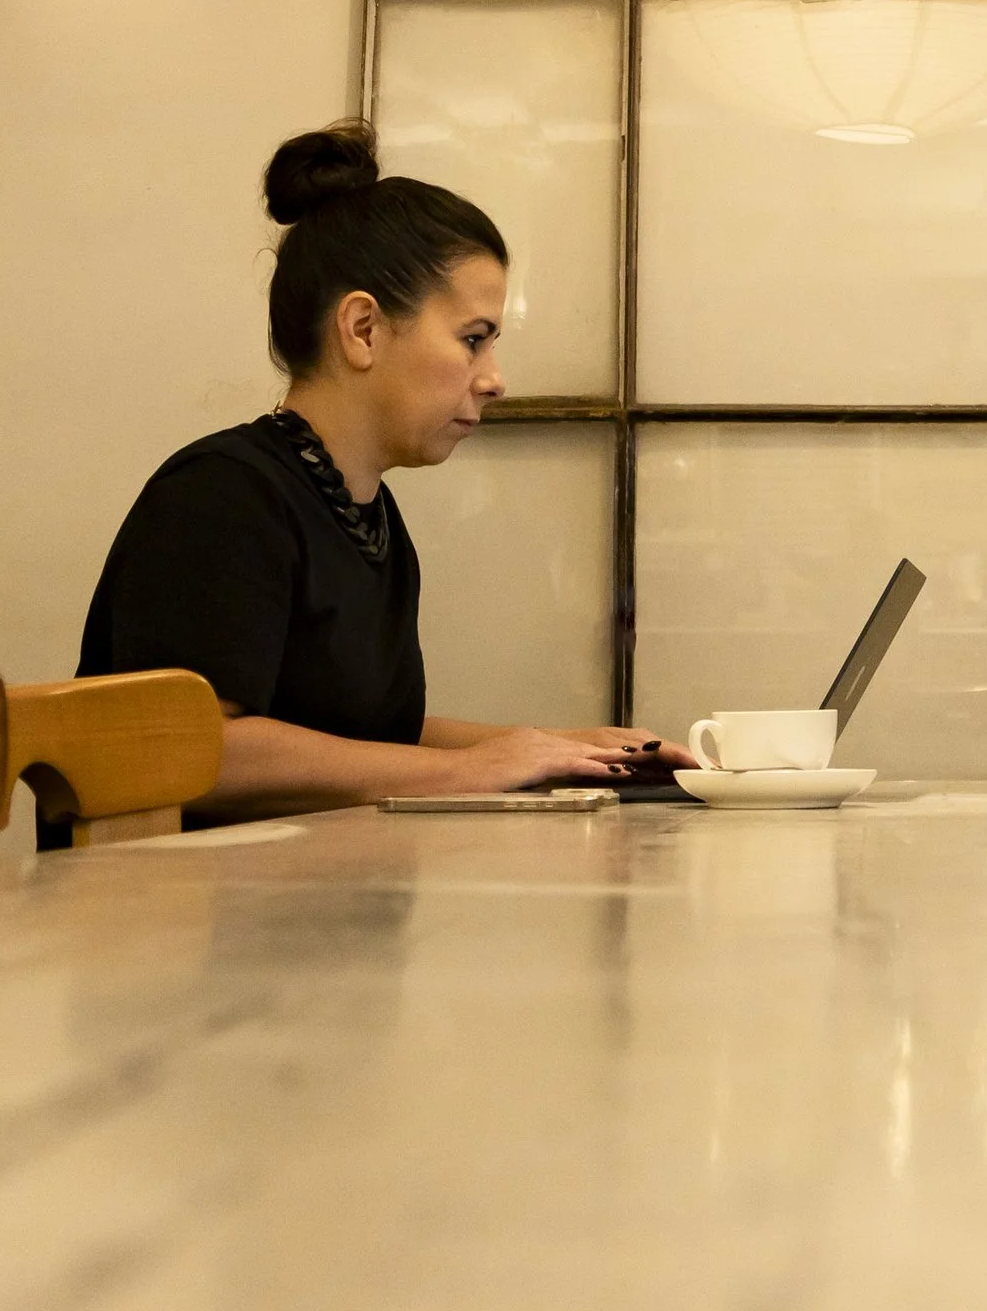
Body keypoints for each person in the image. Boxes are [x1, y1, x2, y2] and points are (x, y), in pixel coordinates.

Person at [78, 123, 678, 818]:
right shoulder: (222, 495)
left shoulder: (367, 516)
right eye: (472, 340)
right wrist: (478, 769)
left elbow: (368, 739)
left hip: (308, 901)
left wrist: (564, 751)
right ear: (362, 329)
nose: (494, 380)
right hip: (187, 915)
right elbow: (193, 749)